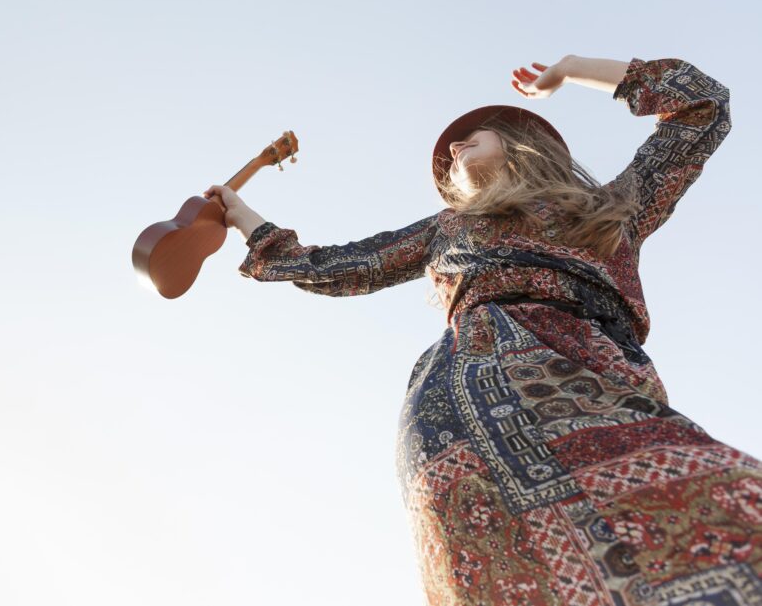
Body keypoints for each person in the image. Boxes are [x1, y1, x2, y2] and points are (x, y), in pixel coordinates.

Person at [203, 55, 755, 605]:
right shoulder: (449, 228)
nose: (453, 149)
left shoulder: (614, 208)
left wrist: (570, 69)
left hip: (603, 374)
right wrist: (241, 215)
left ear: (519, 144)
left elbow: (702, 105)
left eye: (473, 136)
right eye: (451, 150)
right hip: (469, 402)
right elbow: (333, 269)